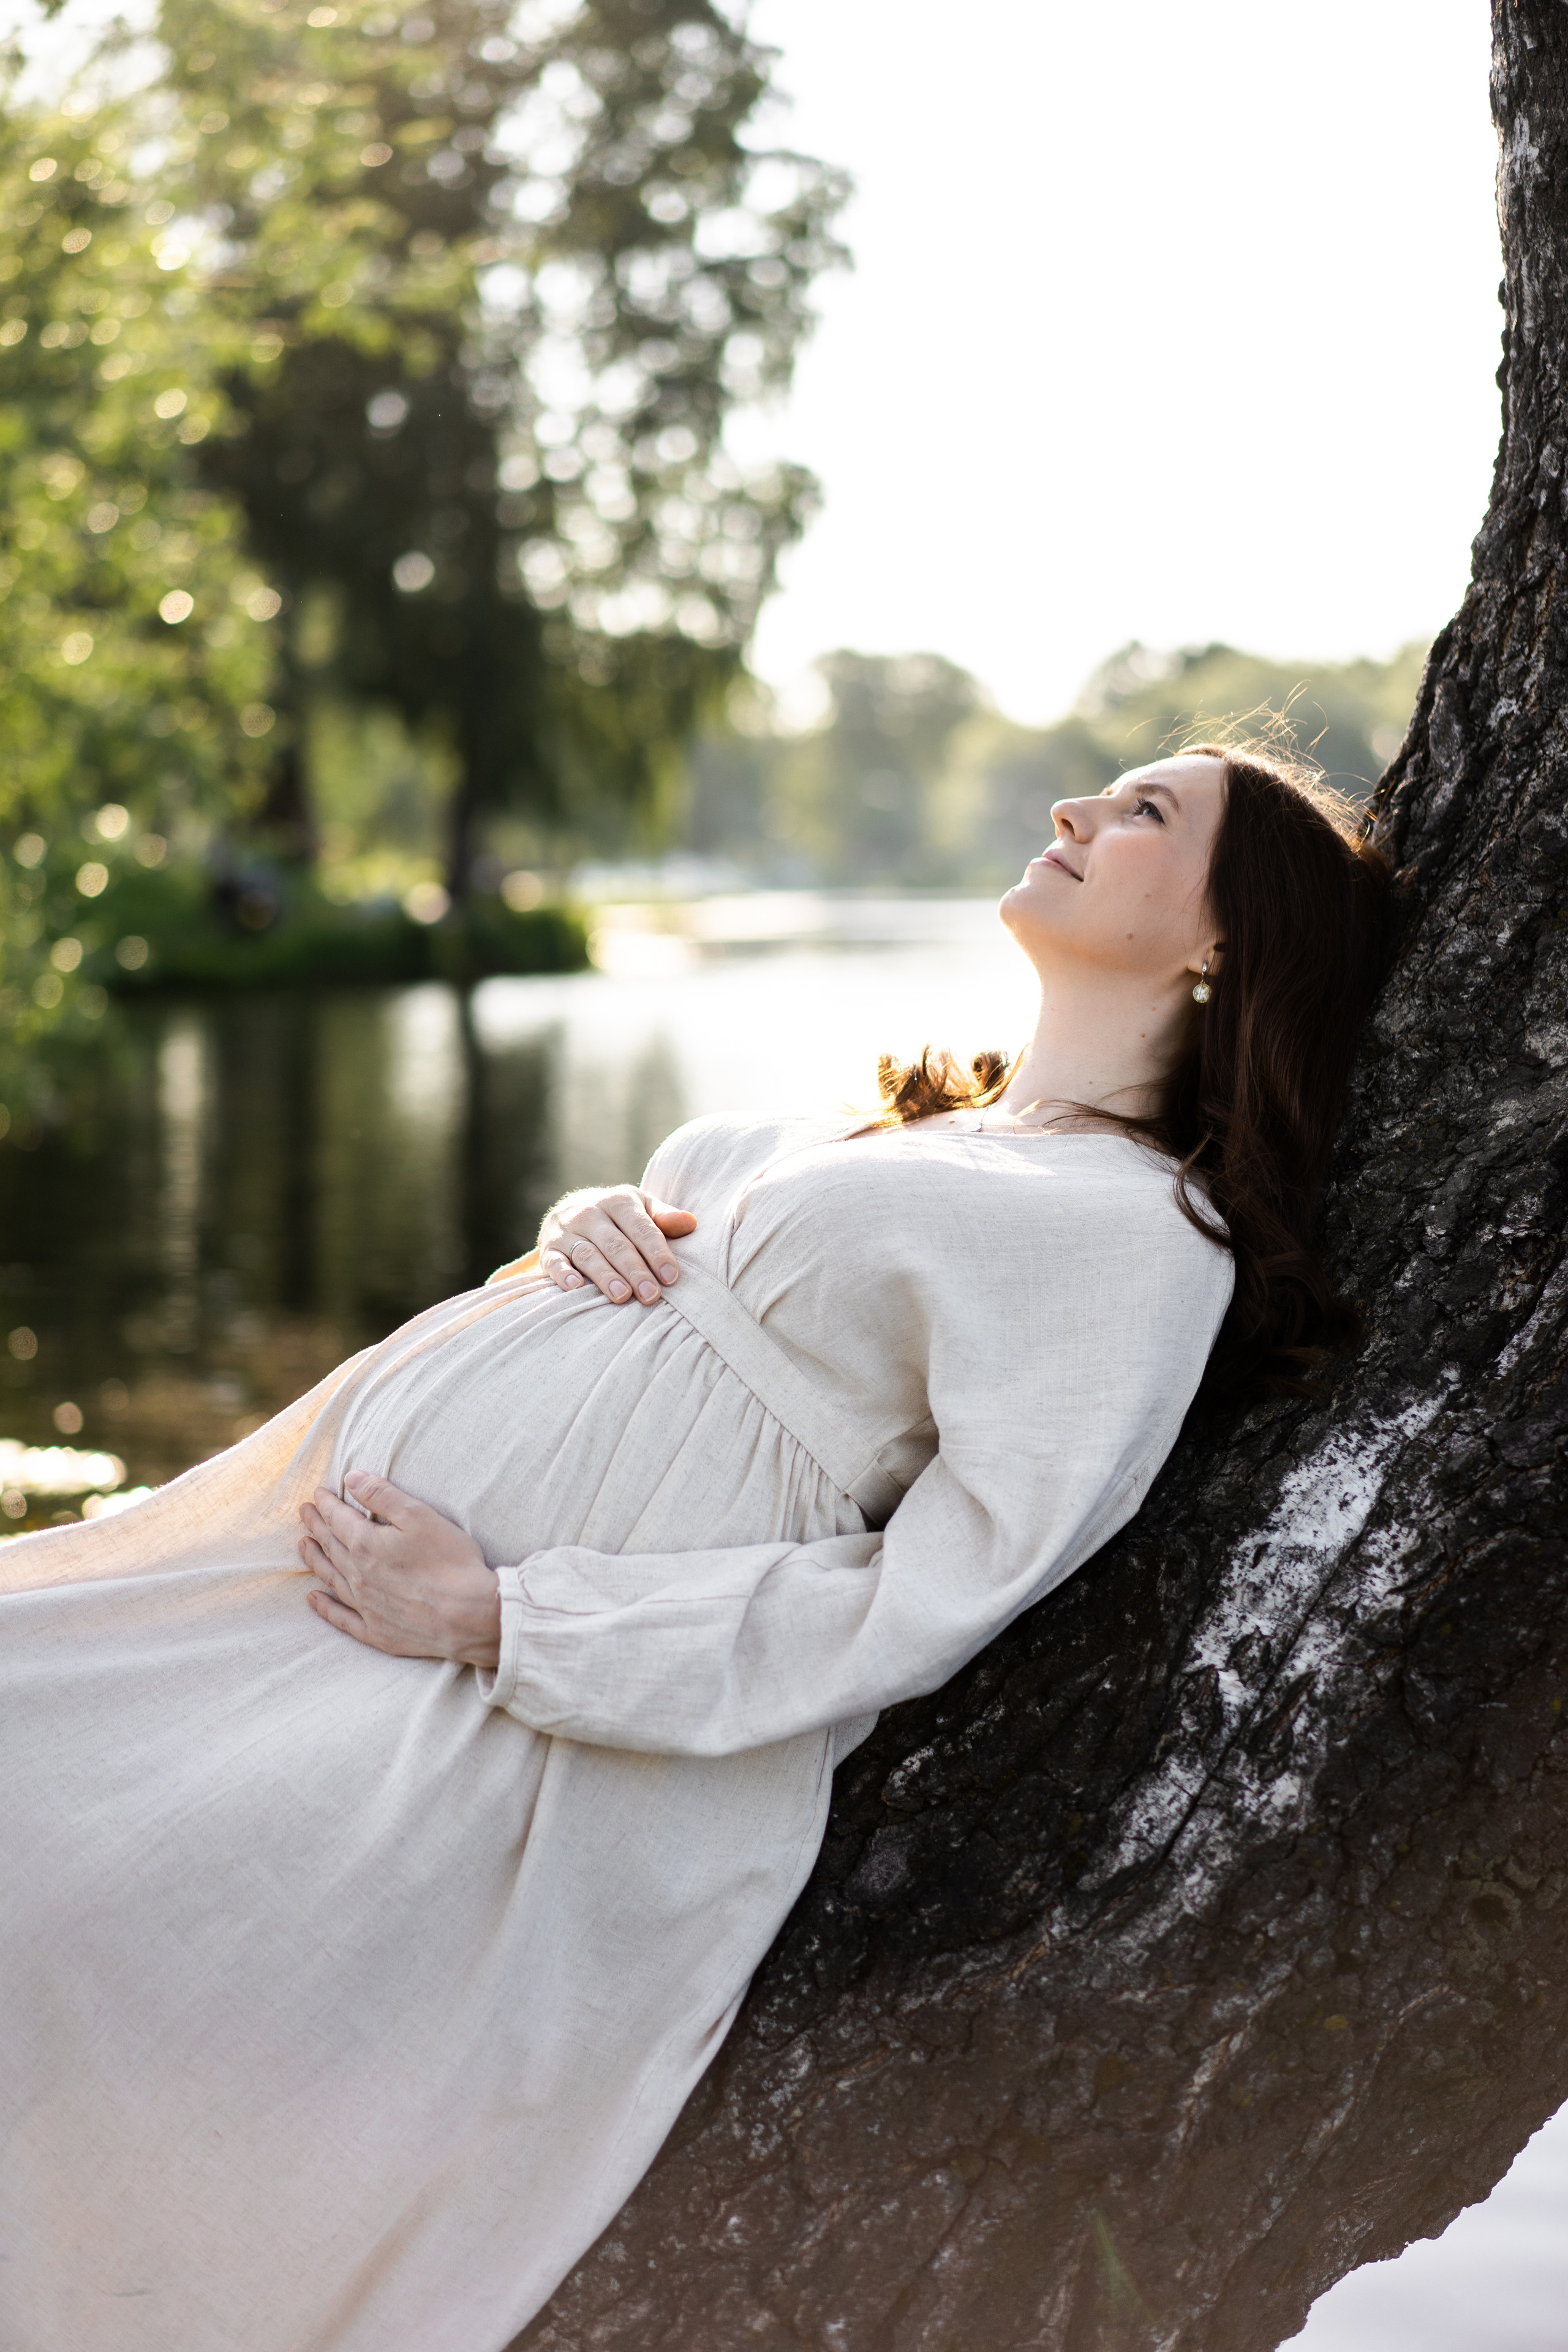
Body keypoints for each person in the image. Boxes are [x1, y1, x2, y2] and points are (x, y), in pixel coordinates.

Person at [0, 744, 1395, 2352]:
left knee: (62, 1934)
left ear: (1228, 941)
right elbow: (713, 1277)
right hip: (317, 1595)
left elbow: (922, 1605)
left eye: (1148, 813)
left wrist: (510, 1621)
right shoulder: (925, 1135)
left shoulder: (1136, 1240)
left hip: (489, 1697)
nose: (1078, 812)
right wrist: (589, 1224)